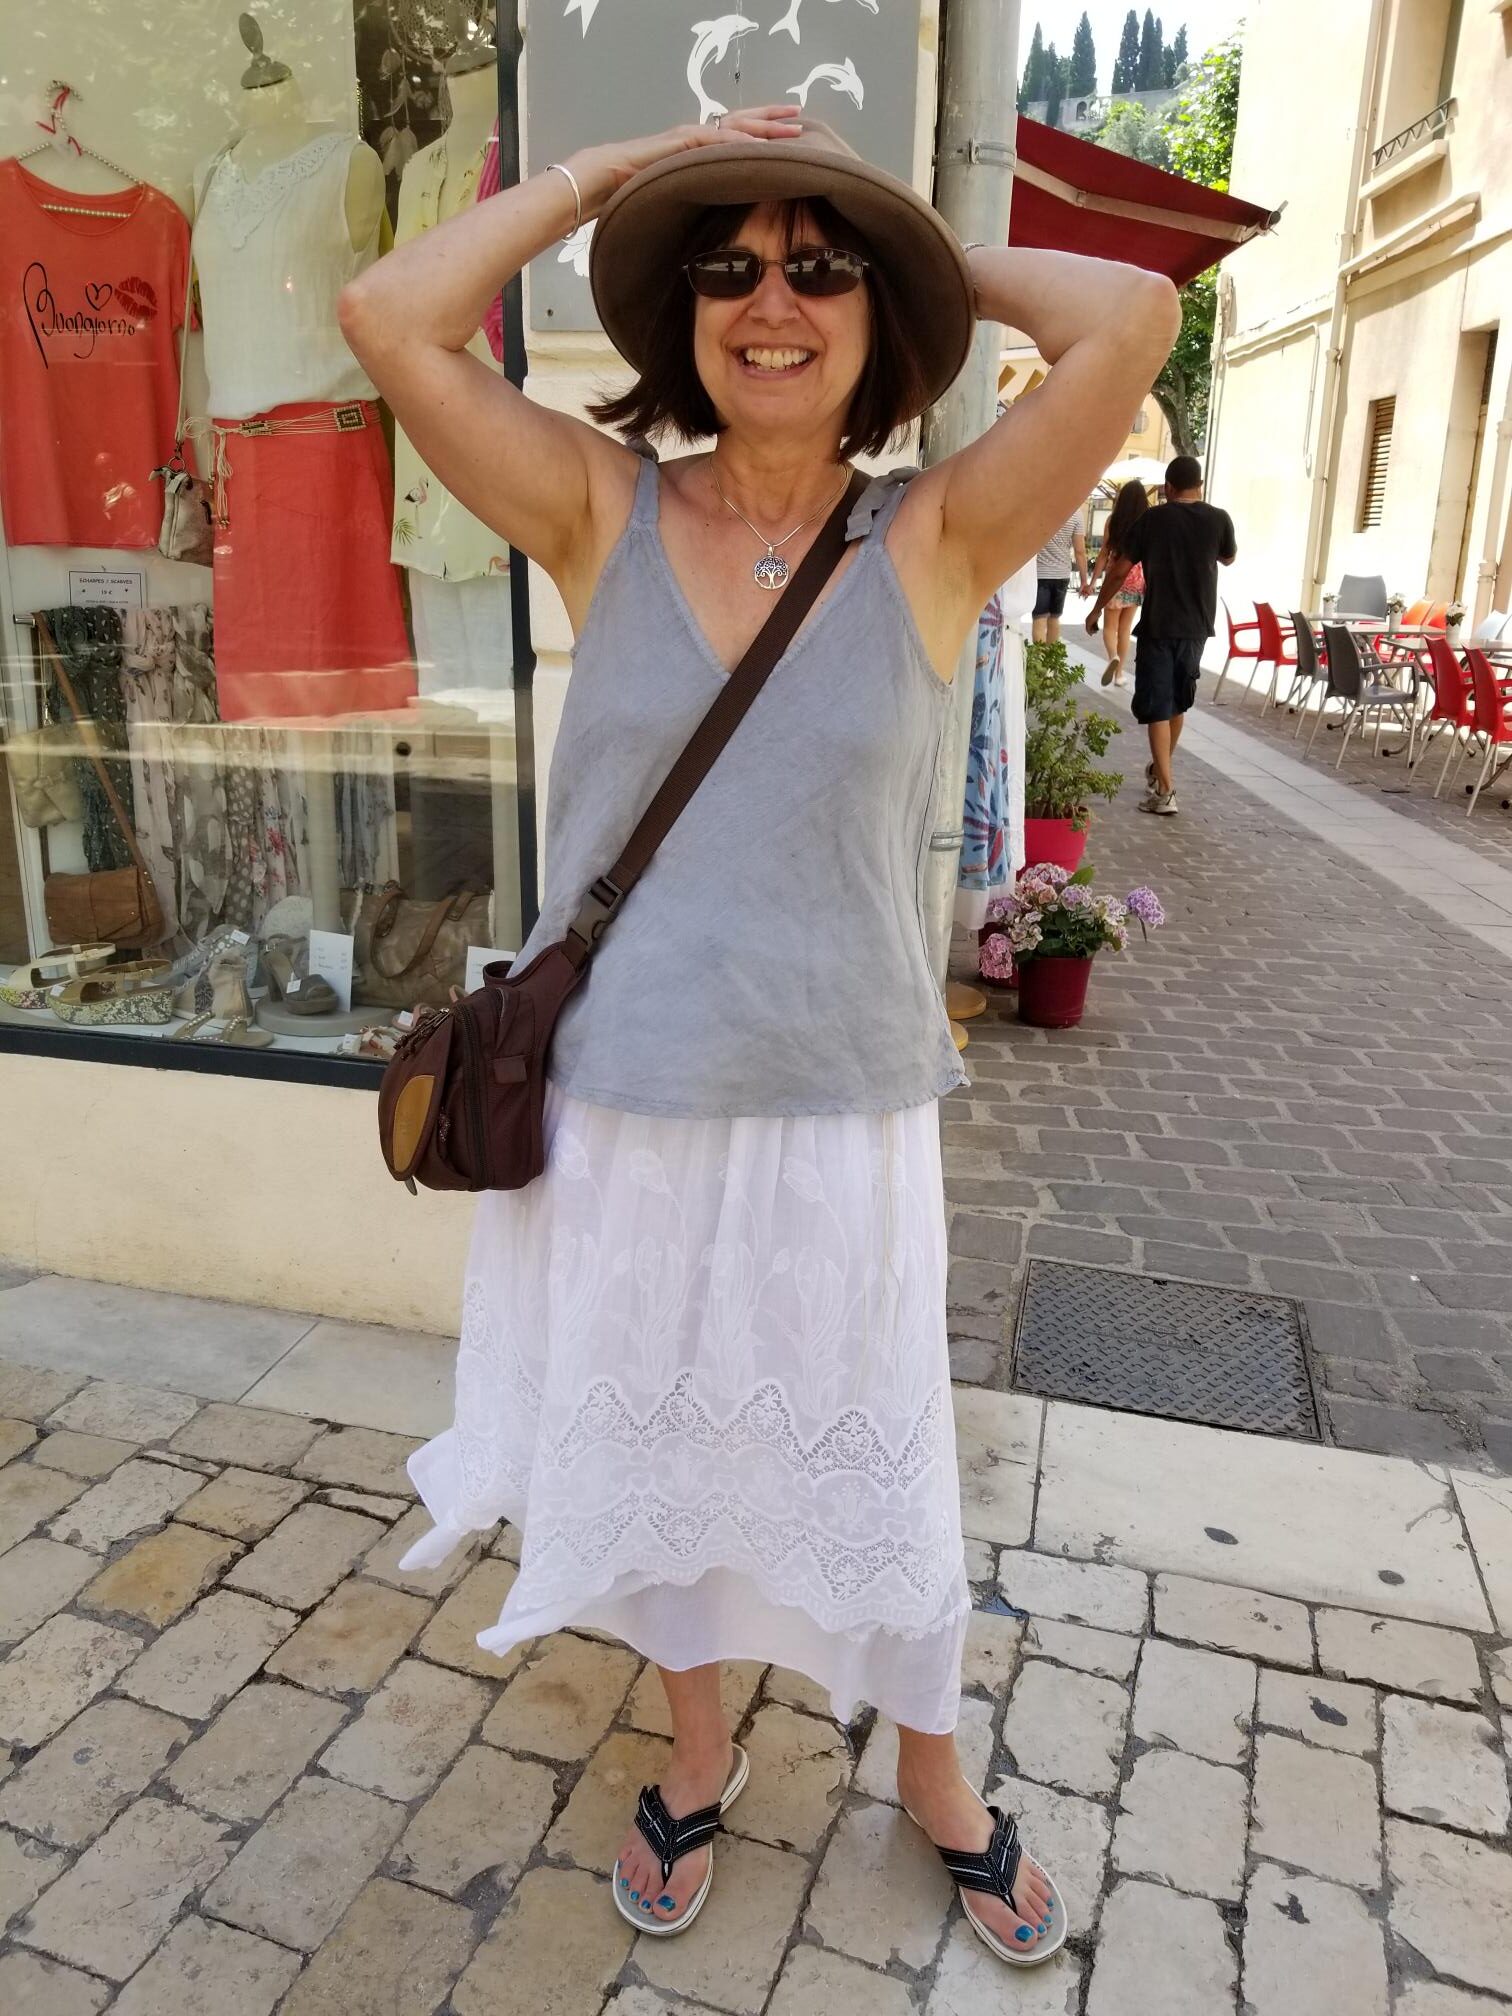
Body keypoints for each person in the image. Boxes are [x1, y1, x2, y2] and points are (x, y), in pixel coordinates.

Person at [340, 110, 1176, 1963]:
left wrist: (920, 244)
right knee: (672, 1466)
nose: (770, 302)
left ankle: (937, 1778)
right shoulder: (600, 511)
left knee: (879, 1462)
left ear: (878, 317)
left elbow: (1130, 323)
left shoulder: (938, 532)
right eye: (727, 268)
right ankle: (699, 1749)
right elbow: (390, 316)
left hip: (838, 1115)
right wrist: (616, 173)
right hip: (621, 1115)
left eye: (818, 269)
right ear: (682, 317)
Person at [1086, 453, 1237, 814]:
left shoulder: (1153, 520)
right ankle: (1159, 772)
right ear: (1200, 485)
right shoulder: (1219, 519)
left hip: (1159, 625)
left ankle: (1166, 791)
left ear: (1168, 487)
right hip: (1197, 626)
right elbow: (1229, 557)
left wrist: (1096, 609)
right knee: (1178, 703)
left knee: (1158, 706)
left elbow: (1120, 570)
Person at [1087, 477, 1149, 687]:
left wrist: (1093, 581)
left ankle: (1112, 656)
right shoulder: (1146, 520)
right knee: (1125, 629)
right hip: (1137, 578)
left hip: (1116, 577)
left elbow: (1104, 553)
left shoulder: (1113, 521)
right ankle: (1120, 674)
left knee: (1109, 627)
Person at [1031, 505, 1089, 643]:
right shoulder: (1076, 513)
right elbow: (1080, 551)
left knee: (1039, 618)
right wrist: (1084, 581)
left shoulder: (1041, 509)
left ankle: (1039, 656)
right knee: (1054, 618)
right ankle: (1052, 655)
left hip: (1040, 574)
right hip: (1062, 575)